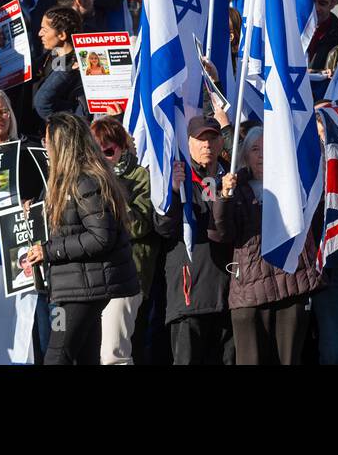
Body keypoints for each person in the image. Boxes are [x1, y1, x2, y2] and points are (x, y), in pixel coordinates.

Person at [24, 113, 139, 365]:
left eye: (47, 141)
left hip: (86, 287)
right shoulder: (67, 181)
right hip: (75, 285)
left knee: (57, 355)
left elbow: (100, 237)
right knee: (85, 357)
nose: (45, 147)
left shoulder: (85, 181)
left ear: (61, 144)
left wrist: (48, 250)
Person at [210, 127, 322, 365]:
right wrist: (223, 197)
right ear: (245, 156)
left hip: (291, 284)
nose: (262, 155)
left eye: (268, 149)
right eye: (255, 149)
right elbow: (221, 233)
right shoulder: (235, 187)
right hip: (250, 291)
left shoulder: (293, 185)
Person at [157, 114, 233, 365]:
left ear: (222, 142)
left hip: (228, 295)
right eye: (200, 140)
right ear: (188, 144)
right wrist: (175, 191)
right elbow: (164, 228)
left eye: (212, 138)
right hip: (189, 296)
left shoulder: (231, 178)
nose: (207, 145)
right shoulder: (178, 180)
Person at [90, 117, 156, 365]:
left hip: (129, 275)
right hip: (95, 275)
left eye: (108, 151)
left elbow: (138, 225)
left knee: (113, 354)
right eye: (96, 151)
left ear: (122, 148)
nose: (102, 158)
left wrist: (113, 189)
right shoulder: (88, 179)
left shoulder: (140, 176)